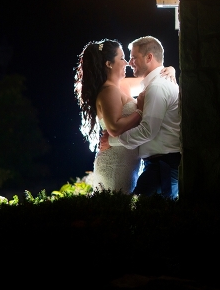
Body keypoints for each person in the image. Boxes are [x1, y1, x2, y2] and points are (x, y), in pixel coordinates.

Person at [74, 38, 176, 194]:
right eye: (122, 58)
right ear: (109, 64)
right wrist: (139, 111)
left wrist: (170, 69)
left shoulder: (122, 85)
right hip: (116, 163)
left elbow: (152, 75)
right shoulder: (108, 91)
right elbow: (114, 128)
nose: (127, 62)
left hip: (128, 161)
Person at [101, 35, 181, 199]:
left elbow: (147, 131)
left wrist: (112, 141)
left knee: (139, 208)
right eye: (126, 58)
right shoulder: (153, 84)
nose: (129, 62)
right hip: (158, 164)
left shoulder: (157, 86)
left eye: (133, 57)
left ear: (149, 57)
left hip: (163, 165)